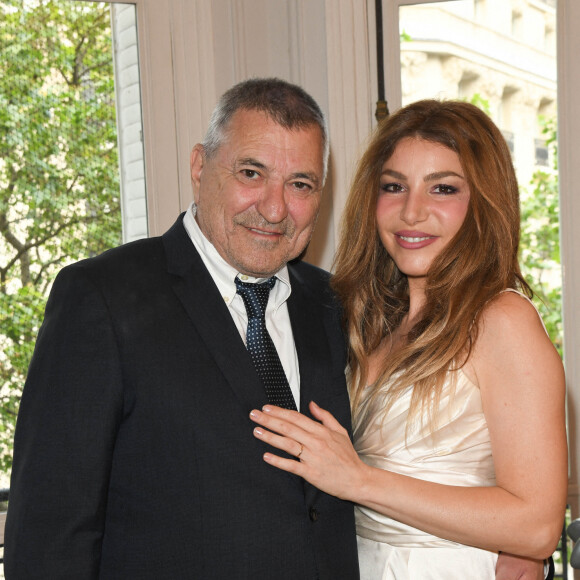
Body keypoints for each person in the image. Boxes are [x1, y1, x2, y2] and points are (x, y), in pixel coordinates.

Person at [4, 78, 360, 579]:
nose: (275, 208)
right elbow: (50, 531)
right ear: (199, 167)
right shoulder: (100, 298)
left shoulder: (333, 303)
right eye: (251, 173)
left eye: (300, 183)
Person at [249, 99, 568, 579]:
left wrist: (359, 480)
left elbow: (538, 526)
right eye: (394, 187)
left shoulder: (502, 320)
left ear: (483, 201)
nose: (412, 212)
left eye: (442, 188)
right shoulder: (364, 320)